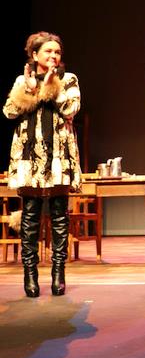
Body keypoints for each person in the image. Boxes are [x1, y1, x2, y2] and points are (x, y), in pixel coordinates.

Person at [3, 31, 82, 297]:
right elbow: (10, 111)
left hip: (59, 156)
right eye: (48, 52)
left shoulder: (68, 79)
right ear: (35, 55)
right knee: (30, 217)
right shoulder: (21, 80)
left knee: (60, 216)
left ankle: (58, 274)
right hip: (28, 156)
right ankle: (30, 274)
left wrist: (53, 86)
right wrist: (30, 88)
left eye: (57, 52)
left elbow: (71, 110)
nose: (53, 56)